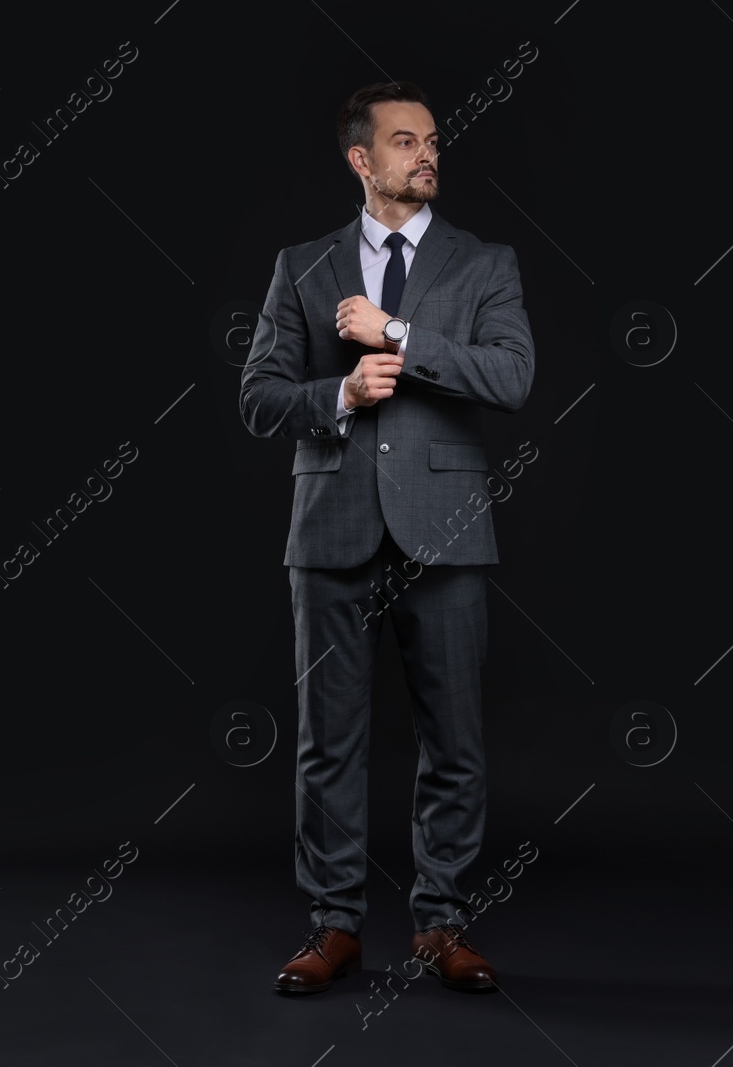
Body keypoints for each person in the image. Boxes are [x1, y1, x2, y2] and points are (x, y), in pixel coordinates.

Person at [239, 79, 534, 996]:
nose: (427, 153)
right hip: (330, 528)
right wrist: (339, 394)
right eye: (406, 142)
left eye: (433, 139)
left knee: (455, 736)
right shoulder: (302, 265)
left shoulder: (485, 263)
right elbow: (257, 398)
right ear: (361, 160)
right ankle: (334, 926)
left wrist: (396, 336)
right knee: (329, 739)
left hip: (445, 528)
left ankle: (441, 924)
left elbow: (512, 377)